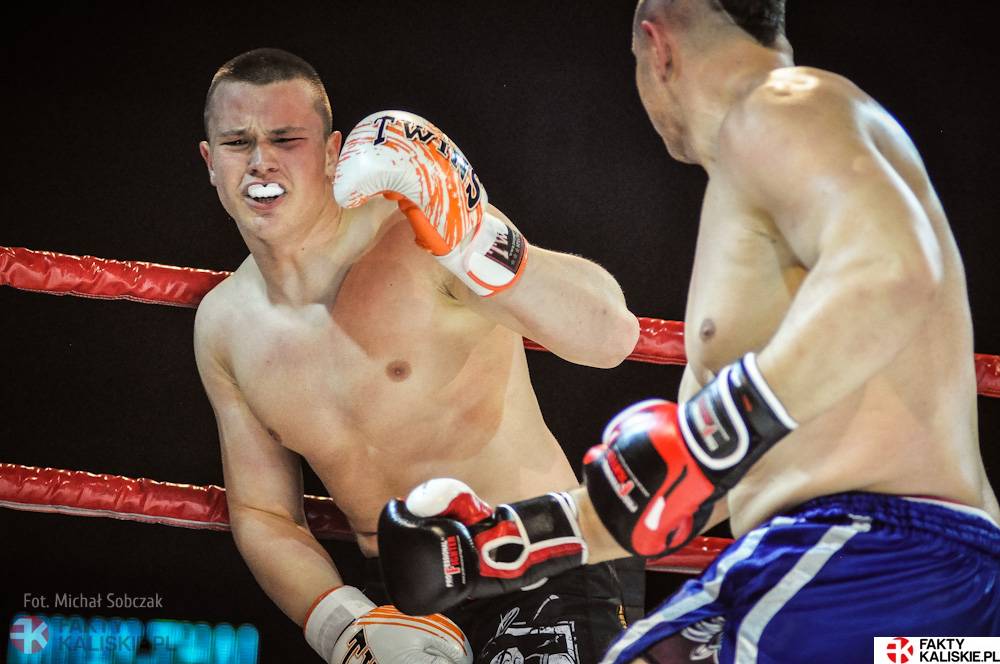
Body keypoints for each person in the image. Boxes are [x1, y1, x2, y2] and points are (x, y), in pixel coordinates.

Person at [377, 1, 1000, 661]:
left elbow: (893, 270)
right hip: (900, 589)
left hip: (875, 563)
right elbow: (695, 483)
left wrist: (711, 436)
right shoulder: (761, 191)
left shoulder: (783, 104)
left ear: (659, 48)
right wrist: (508, 543)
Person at [193, 48, 643, 664]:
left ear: (331, 153)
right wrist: (343, 626)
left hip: (539, 564)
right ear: (210, 162)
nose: (260, 161)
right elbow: (264, 512)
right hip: (400, 600)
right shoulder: (223, 325)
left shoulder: (417, 234)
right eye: (237, 142)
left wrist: (474, 236)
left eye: (286, 138)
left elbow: (611, 335)